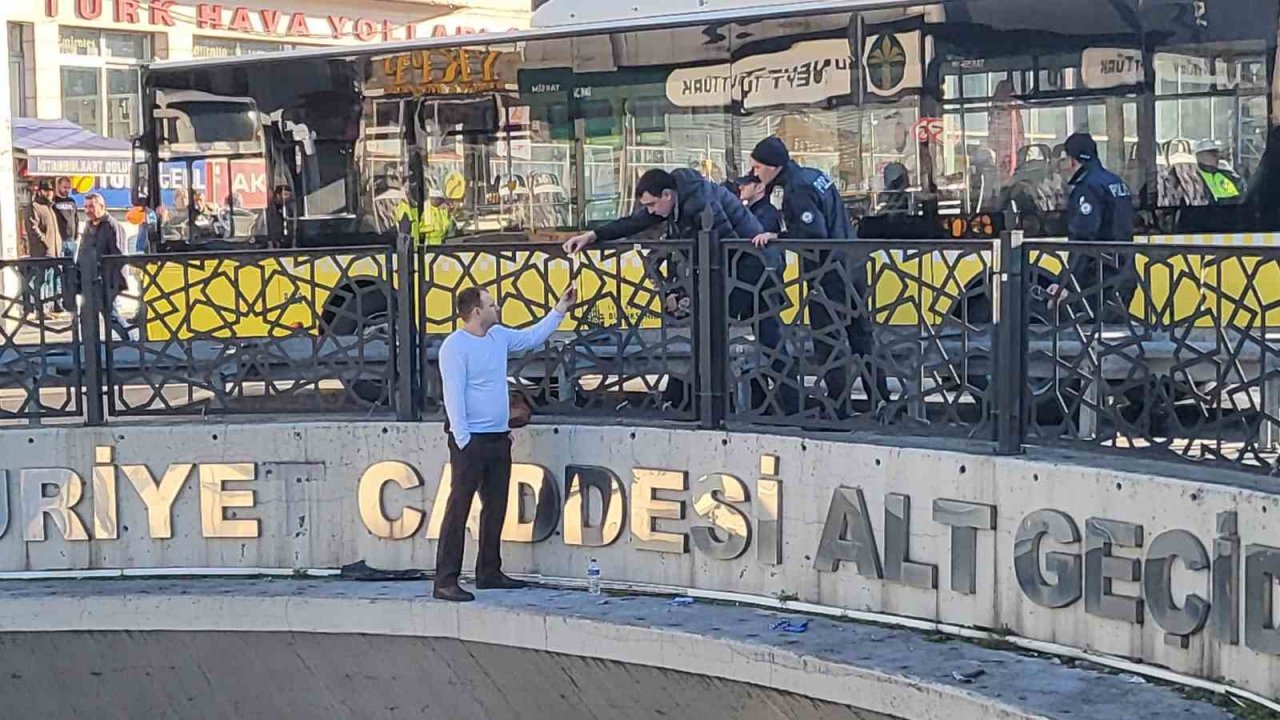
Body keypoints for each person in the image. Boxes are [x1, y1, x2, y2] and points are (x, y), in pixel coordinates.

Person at [563, 168, 763, 412]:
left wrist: (693, 292)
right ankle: (701, 402)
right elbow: (635, 222)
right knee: (710, 335)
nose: (651, 211)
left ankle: (722, 405)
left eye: (652, 204)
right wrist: (593, 235)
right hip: (738, 273)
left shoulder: (700, 205)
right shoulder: (677, 200)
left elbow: (725, 252)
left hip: (755, 271)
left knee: (728, 336)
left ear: (668, 195)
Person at [434, 284, 578, 602]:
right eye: (491, 304)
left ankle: (489, 571)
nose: (497, 309)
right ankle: (445, 579)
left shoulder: (498, 337)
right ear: (476, 312)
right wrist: (463, 438)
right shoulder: (455, 347)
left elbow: (531, 337)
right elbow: (453, 395)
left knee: (496, 505)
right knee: (458, 508)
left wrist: (559, 309)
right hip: (469, 440)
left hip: (499, 437)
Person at [749, 136, 891, 420]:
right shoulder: (814, 176)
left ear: (772, 166)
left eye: (757, 167)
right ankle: (882, 402)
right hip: (853, 265)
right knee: (861, 337)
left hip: (827, 274)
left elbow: (814, 236)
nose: (755, 173)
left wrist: (778, 236)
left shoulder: (796, 189)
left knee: (829, 342)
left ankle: (838, 409)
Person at [1047, 133, 1136, 323]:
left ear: (1072, 161)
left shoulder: (1087, 188)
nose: (1062, 166)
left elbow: (1083, 240)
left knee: (1089, 339)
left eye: (1064, 160)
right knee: (1116, 339)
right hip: (1125, 272)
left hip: (1098, 279)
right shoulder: (1115, 182)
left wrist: (1065, 283)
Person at [733, 173, 797, 415]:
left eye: (746, 183)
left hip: (762, 290)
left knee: (775, 348)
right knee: (768, 347)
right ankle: (772, 403)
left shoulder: (765, 213)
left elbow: (764, 254)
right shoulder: (758, 211)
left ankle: (789, 404)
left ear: (760, 187)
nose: (740, 187)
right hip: (759, 290)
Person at [79, 193, 129, 335]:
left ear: (102, 207)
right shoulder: (88, 226)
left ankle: (131, 341)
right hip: (92, 279)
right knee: (89, 315)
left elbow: (118, 255)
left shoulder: (112, 225)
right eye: (86, 207)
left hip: (108, 280)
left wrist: (114, 282)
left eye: (91, 206)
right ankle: (92, 351)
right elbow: (83, 250)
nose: (88, 210)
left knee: (111, 315)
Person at [22, 180, 60, 317]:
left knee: (48, 282)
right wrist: (44, 243)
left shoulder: (50, 207)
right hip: (41, 252)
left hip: (52, 252)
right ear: (40, 191)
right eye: (46, 190)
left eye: (51, 190)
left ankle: (46, 309)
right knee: (40, 282)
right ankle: (39, 310)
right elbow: (33, 228)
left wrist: (56, 246)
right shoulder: (35, 206)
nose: (49, 193)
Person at [1194, 139, 1246, 205]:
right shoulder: (1194, 178)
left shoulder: (1229, 176)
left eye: (1217, 153)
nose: (1217, 157)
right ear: (1199, 156)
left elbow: (1243, 197)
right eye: (1213, 154)